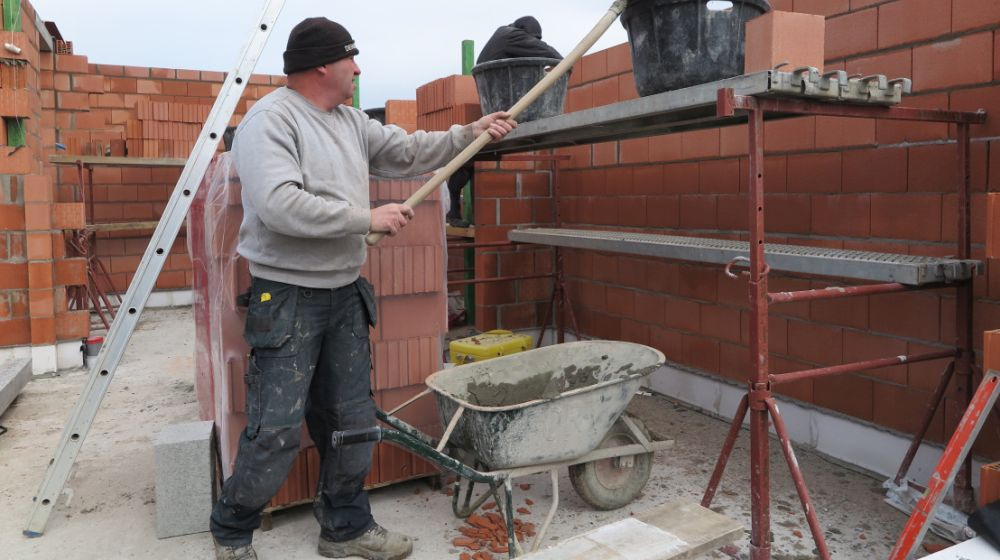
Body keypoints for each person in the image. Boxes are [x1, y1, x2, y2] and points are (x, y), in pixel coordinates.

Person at [209, 17, 515, 560]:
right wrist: (363, 218)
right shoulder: (271, 122)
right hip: (287, 298)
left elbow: (407, 151)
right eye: (352, 58)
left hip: (344, 293)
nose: (358, 68)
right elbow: (279, 205)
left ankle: (345, 529)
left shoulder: (350, 122)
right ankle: (233, 532)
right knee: (276, 429)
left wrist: (470, 135)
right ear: (323, 64)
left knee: (351, 421)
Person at [444, 16, 561, 228]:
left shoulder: (504, 38)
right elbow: (554, 56)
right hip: (505, 108)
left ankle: (454, 211)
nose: (532, 42)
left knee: (467, 162)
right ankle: (453, 211)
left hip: (498, 104)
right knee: (466, 161)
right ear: (523, 31)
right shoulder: (509, 34)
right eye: (532, 38)